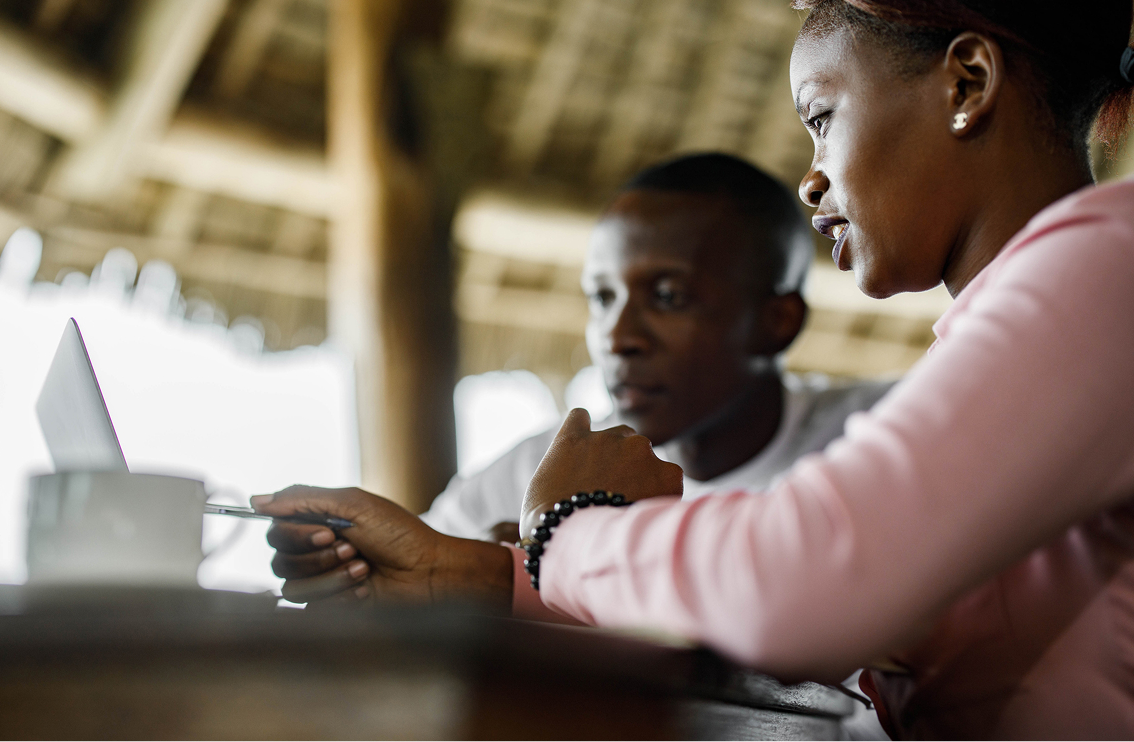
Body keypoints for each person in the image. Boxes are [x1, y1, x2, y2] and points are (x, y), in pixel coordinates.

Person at [255, 0, 1134, 736]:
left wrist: (571, 529)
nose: (811, 180)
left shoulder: (1110, 266)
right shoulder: (1024, 329)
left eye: (822, 118)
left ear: (967, 84)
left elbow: (809, 582)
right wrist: (483, 579)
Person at [421, 153, 892, 545]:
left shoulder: (880, 441)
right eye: (603, 298)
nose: (617, 337)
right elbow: (412, 569)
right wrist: (480, 575)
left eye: (669, 297)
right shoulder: (548, 469)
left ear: (777, 323)